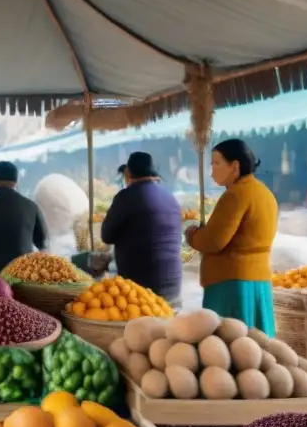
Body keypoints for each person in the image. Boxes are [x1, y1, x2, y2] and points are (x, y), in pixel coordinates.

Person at [186, 139, 278, 335]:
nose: (212, 172)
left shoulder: (235, 195)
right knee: (257, 349)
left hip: (232, 284)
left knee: (233, 347)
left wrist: (193, 235)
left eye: (216, 164)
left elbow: (213, 242)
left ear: (234, 166)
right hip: (259, 280)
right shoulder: (265, 193)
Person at [101, 152, 183, 306]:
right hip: (174, 290)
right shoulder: (170, 197)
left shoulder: (126, 197)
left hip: (142, 294)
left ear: (128, 173)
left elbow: (106, 235)